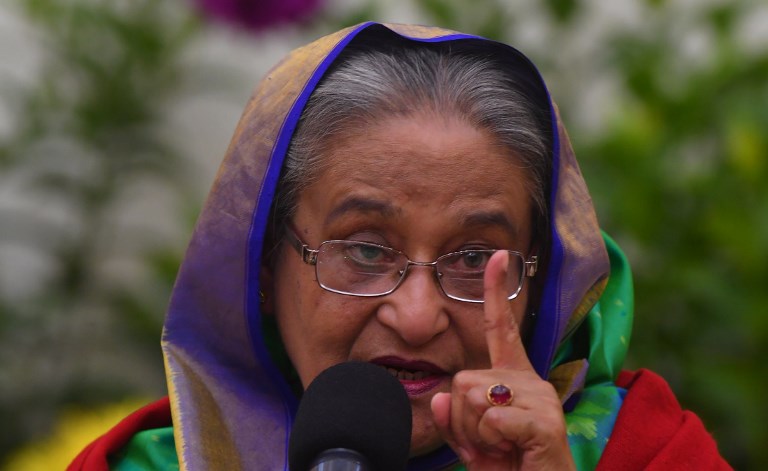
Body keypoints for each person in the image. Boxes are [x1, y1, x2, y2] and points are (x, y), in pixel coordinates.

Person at [69, 22, 731, 470]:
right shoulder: (161, 462)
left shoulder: (643, 450)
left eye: (475, 259)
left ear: (540, 287)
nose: (416, 315)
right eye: (363, 249)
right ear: (263, 268)